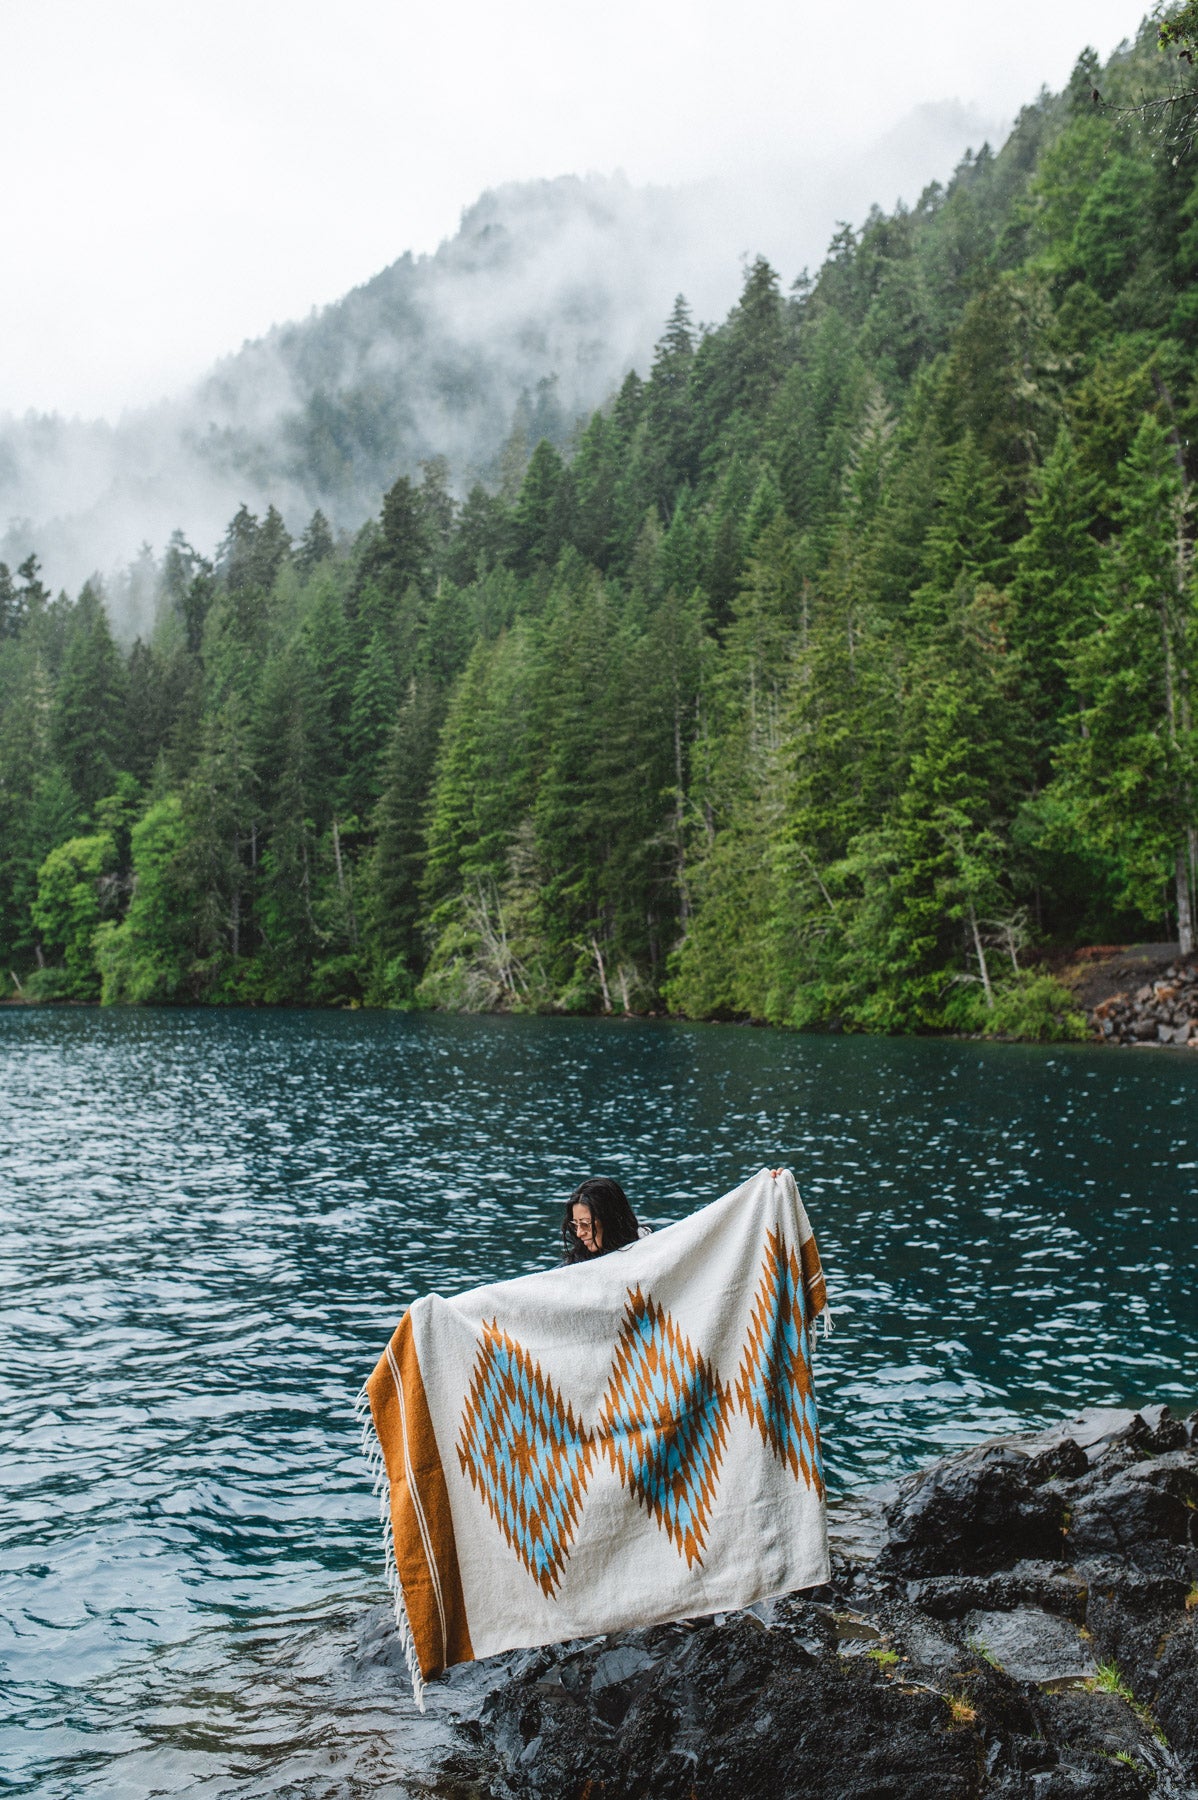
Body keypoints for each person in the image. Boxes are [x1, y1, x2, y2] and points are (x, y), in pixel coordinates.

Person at [561, 1177, 643, 1263]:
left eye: (585, 1224)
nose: (579, 1233)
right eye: (575, 1224)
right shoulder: (572, 1268)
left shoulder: (650, 1251)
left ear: (610, 1220)